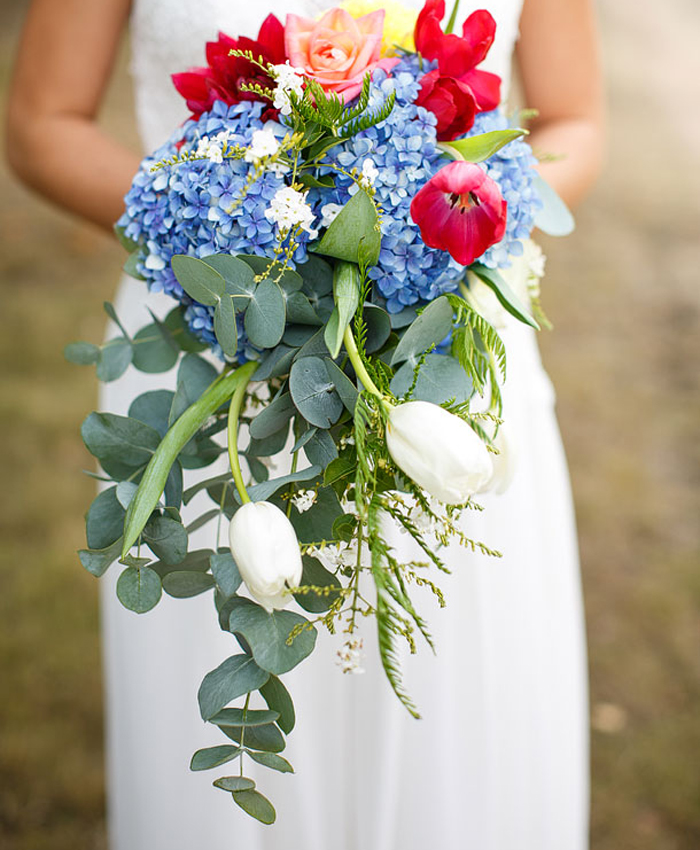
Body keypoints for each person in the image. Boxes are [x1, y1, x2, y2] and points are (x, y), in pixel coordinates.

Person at [6, 1, 604, 848]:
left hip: (440, 352)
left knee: (454, 700)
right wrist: (224, 218)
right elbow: (41, 124)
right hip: (210, 327)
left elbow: (576, 119)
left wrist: (454, 211)